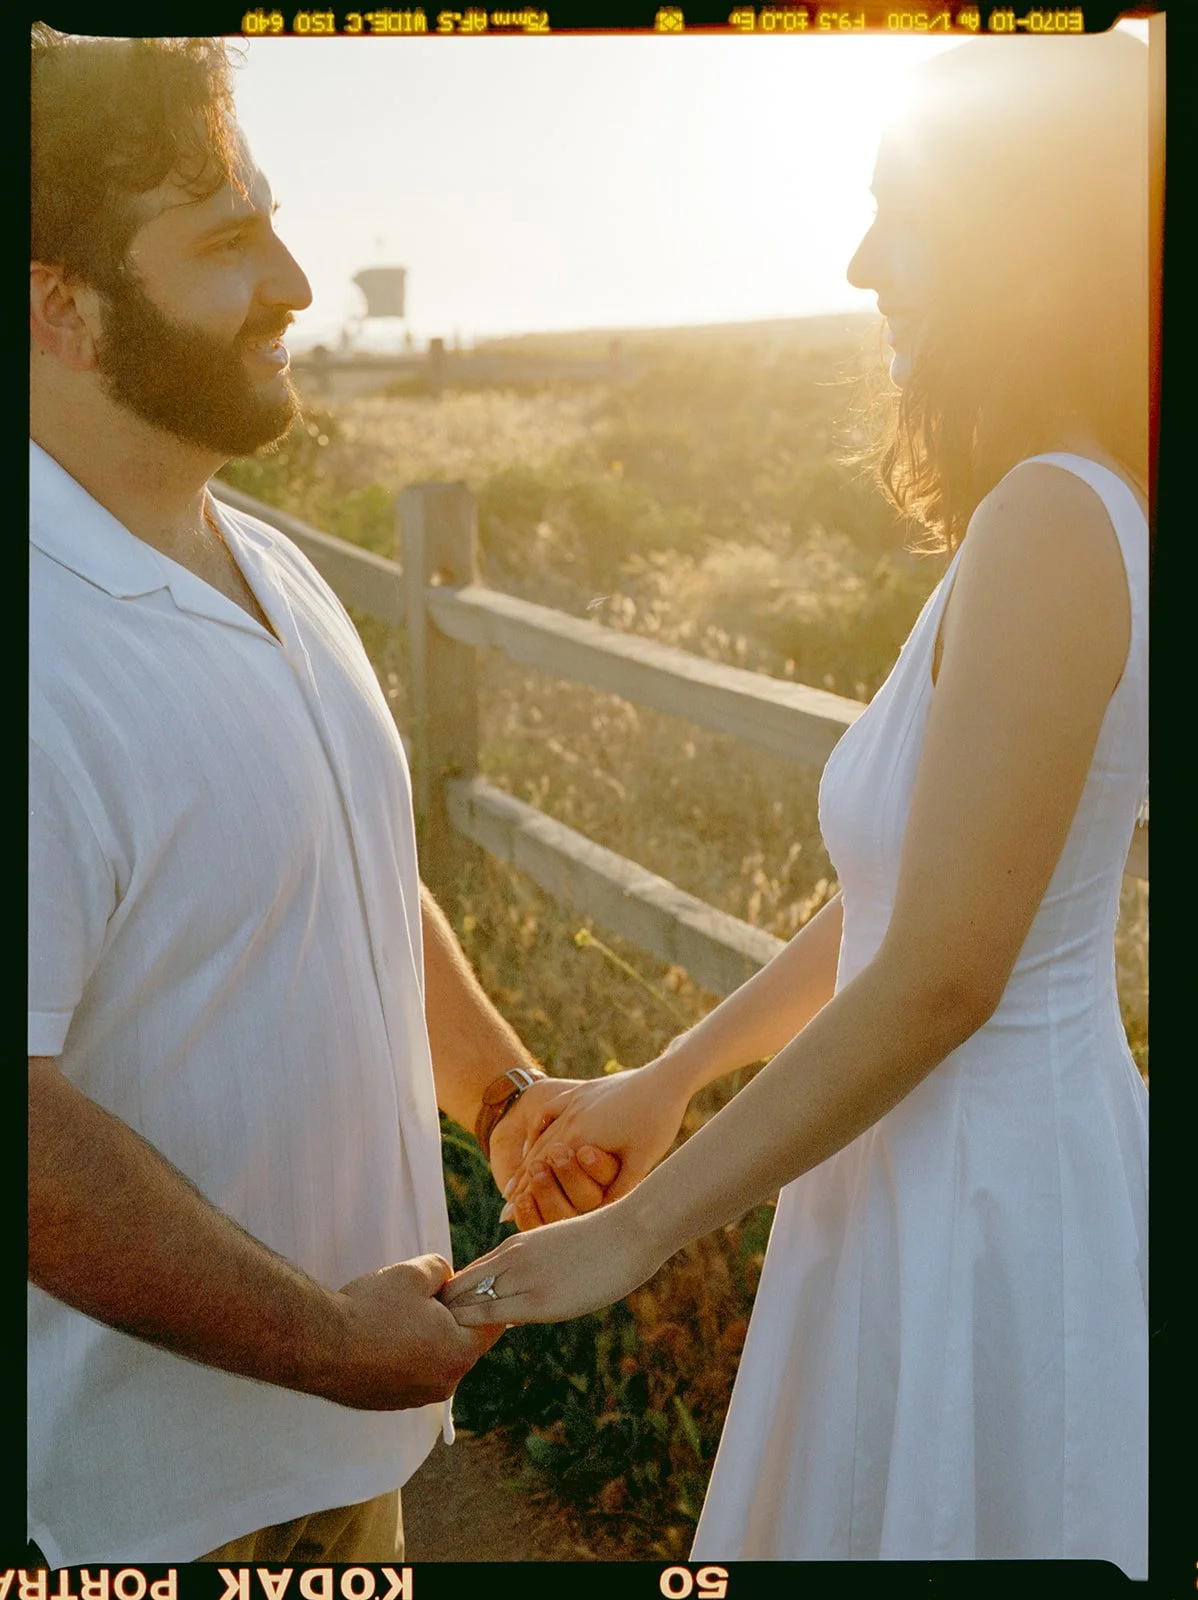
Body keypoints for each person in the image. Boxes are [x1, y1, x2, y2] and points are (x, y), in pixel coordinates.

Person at [444, 31, 1151, 1575]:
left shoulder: (1051, 519)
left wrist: (634, 1236)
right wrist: (666, 1080)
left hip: (983, 1207)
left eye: (900, 205)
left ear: (1023, 232)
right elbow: (900, 902)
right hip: (917, 1170)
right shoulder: (1038, 508)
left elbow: (948, 972)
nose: (856, 257)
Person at [28, 27, 616, 1568]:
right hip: (133, 1515)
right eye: (228, 238)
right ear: (60, 308)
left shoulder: (268, 563)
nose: (296, 279)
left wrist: (497, 1100)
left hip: (337, 1464)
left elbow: (351, 869)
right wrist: (326, 1343)